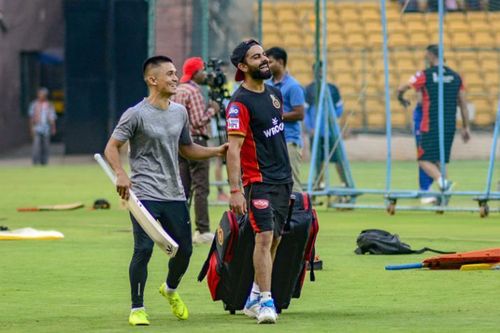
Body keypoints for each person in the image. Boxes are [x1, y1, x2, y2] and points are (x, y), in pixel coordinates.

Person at [104, 55, 227, 326]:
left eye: (175, 73)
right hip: (145, 194)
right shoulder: (135, 114)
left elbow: (187, 148)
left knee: (185, 251)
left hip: (174, 193)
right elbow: (111, 147)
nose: (175, 78)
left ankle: (170, 289)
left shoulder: (179, 112)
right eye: (169, 74)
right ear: (152, 80)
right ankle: (137, 307)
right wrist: (121, 174)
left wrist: (216, 151)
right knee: (143, 249)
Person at [226, 39, 292, 324]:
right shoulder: (239, 104)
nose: (264, 59)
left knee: (275, 238)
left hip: (283, 179)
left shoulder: (275, 94)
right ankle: (266, 300)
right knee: (263, 237)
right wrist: (235, 190)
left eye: (263, 54)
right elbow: (233, 149)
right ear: (243, 66)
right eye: (256, 57)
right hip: (258, 181)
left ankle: (253, 296)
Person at [397, 45, 470, 195]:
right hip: (449, 124)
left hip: (430, 123)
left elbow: (401, 88)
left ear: (431, 55)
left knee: (423, 159)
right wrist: (466, 127)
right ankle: (445, 194)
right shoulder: (456, 77)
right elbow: (463, 104)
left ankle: (443, 183)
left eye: (426, 56)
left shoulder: (424, 74)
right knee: (440, 160)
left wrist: (401, 98)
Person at [171, 57, 220, 244]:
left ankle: (179, 228)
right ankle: (202, 229)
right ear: (196, 72)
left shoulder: (177, 89)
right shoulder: (194, 91)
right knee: (201, 187)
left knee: (183, 189)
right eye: (202, 71)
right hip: (196, 142)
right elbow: (199, 120)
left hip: (178, 143)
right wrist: (213, 110)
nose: (205, 75)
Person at [266, 46, 305, 193]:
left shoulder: (293, 86)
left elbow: (300, 114)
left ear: (280, 62)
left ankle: (300, 214)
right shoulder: (267, 85)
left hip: (289, 140)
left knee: (292, 182)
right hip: (271, 139)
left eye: (270, 62)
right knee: (273, 181)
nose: (267, 65)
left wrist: (275, 115)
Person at [304, 62, 347, 189]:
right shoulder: (309, 89)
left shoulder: (333, 89)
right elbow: (305, 111)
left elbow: (339, 108)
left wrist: (333, 118)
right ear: (314, 72)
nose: (321, 73)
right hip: (316, 132)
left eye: (322, 70)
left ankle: (344, 183)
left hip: (331, 132)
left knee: (339, 158)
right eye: (318, 71)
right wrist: (309, 127)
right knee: (317, 160)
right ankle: (319, 183)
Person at [28, 87, 57, 165]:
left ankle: (44, 162)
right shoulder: (34, 105)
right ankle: (35, 162)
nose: (41, 96)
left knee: (46, 146)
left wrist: (53, 127)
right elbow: (31, 117)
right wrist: (31, 128)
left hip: (46, 128)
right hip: (37, 128)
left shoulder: (49, 105)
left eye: (43, 94)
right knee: (36, 146)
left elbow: (52, 117)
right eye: (40, 94)